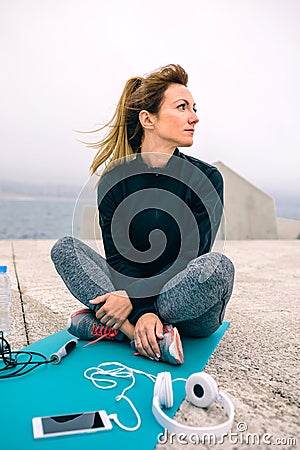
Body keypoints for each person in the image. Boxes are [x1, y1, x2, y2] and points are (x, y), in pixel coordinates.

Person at [51, 64, 234, 365]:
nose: (194, 117)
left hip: (185, 308)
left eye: (194, 108)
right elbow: (118, 260)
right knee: (65, 248)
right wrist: (140, 310)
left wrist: (142, 304)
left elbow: (194, 255)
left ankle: (115, 325)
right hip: (131, 297)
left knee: (218, 266)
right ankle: (137, 331)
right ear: (148, 119)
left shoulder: (206, 179)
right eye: (182, 107)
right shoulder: (114, 181)